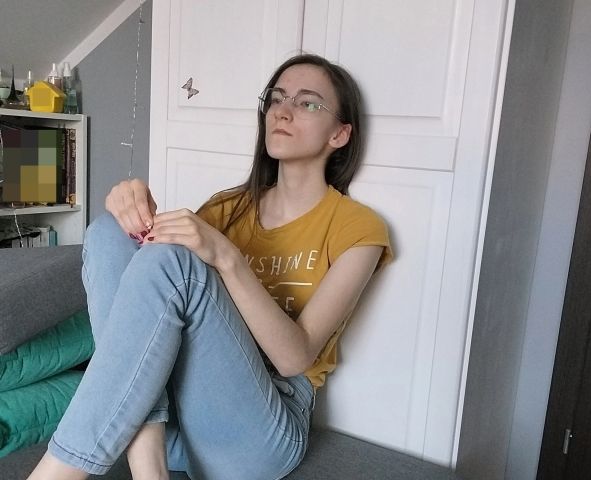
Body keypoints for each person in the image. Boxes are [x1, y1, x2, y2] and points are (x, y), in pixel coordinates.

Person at [27, 53, 392, 480]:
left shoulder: (357, 227)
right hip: (177, 425)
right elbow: (152, 285)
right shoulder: (227, 208)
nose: (283, 111)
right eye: (276, 98)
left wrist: (226, 256)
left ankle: (60, 470)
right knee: (110, 232)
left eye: (308, 103)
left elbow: (295, 358)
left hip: (261, 432)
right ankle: (149, 464)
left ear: (340, 134)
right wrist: (129, 209)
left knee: (174, 259)